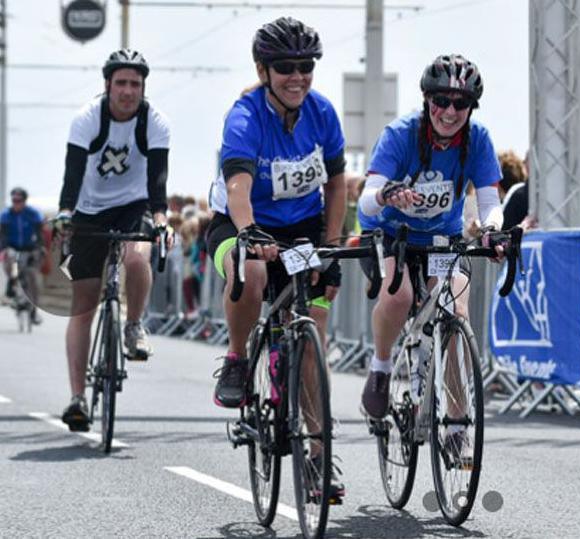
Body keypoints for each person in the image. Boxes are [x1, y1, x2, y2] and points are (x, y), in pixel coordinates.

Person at [205, 17, 346, 497]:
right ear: (264, 70)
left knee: (311, 341)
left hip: (303, 227)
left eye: (305, 66)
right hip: (241, 222)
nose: (297, 76)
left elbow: (336, 184)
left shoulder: (322, 113)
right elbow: (237, 189)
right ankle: (237, 359)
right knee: (251, 271)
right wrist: (249, 234)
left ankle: (320, 457)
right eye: (285, 67)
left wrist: (330, 244)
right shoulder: (244, 116)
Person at [356, 54, 504, 458]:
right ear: (426, 100)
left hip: (441, 238)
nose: (450, 111)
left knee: (456, 311)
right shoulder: (401, 134)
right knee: (399, 295)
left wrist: (492, 230)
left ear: (471, 107)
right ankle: (382, 368)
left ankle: (455, 422)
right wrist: (388, 194)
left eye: (461, 103)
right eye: (441, 100)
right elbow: (367, 200)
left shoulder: (478, 140)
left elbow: (490, 199)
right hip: (392, 233)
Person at [56, 49, 171, 432]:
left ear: (143, 88)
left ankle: (134, 325)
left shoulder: (154, 122)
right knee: (83, 304)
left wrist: (160, 218)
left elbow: (158, 177)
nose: (127, 91)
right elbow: (72, 172)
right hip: (88, 209)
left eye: (135, 84)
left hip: (133, 204)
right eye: (120, 83)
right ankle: (77, 398)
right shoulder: (88, 118)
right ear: (107, 86)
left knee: (138, 258)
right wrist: (65, 213)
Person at [0, 187, 45, 324]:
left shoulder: (33, 214)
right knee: (9, 262)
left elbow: (40, 233)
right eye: (14, 200)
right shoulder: (6, 215)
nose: (16, 203)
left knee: (33, 276)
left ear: (24, 201)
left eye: (19, 200)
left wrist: (40, 247)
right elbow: (2, 235)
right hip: (12, 246)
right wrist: (3, 248)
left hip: (29, 247)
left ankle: (34, 311)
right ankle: (11, 284)